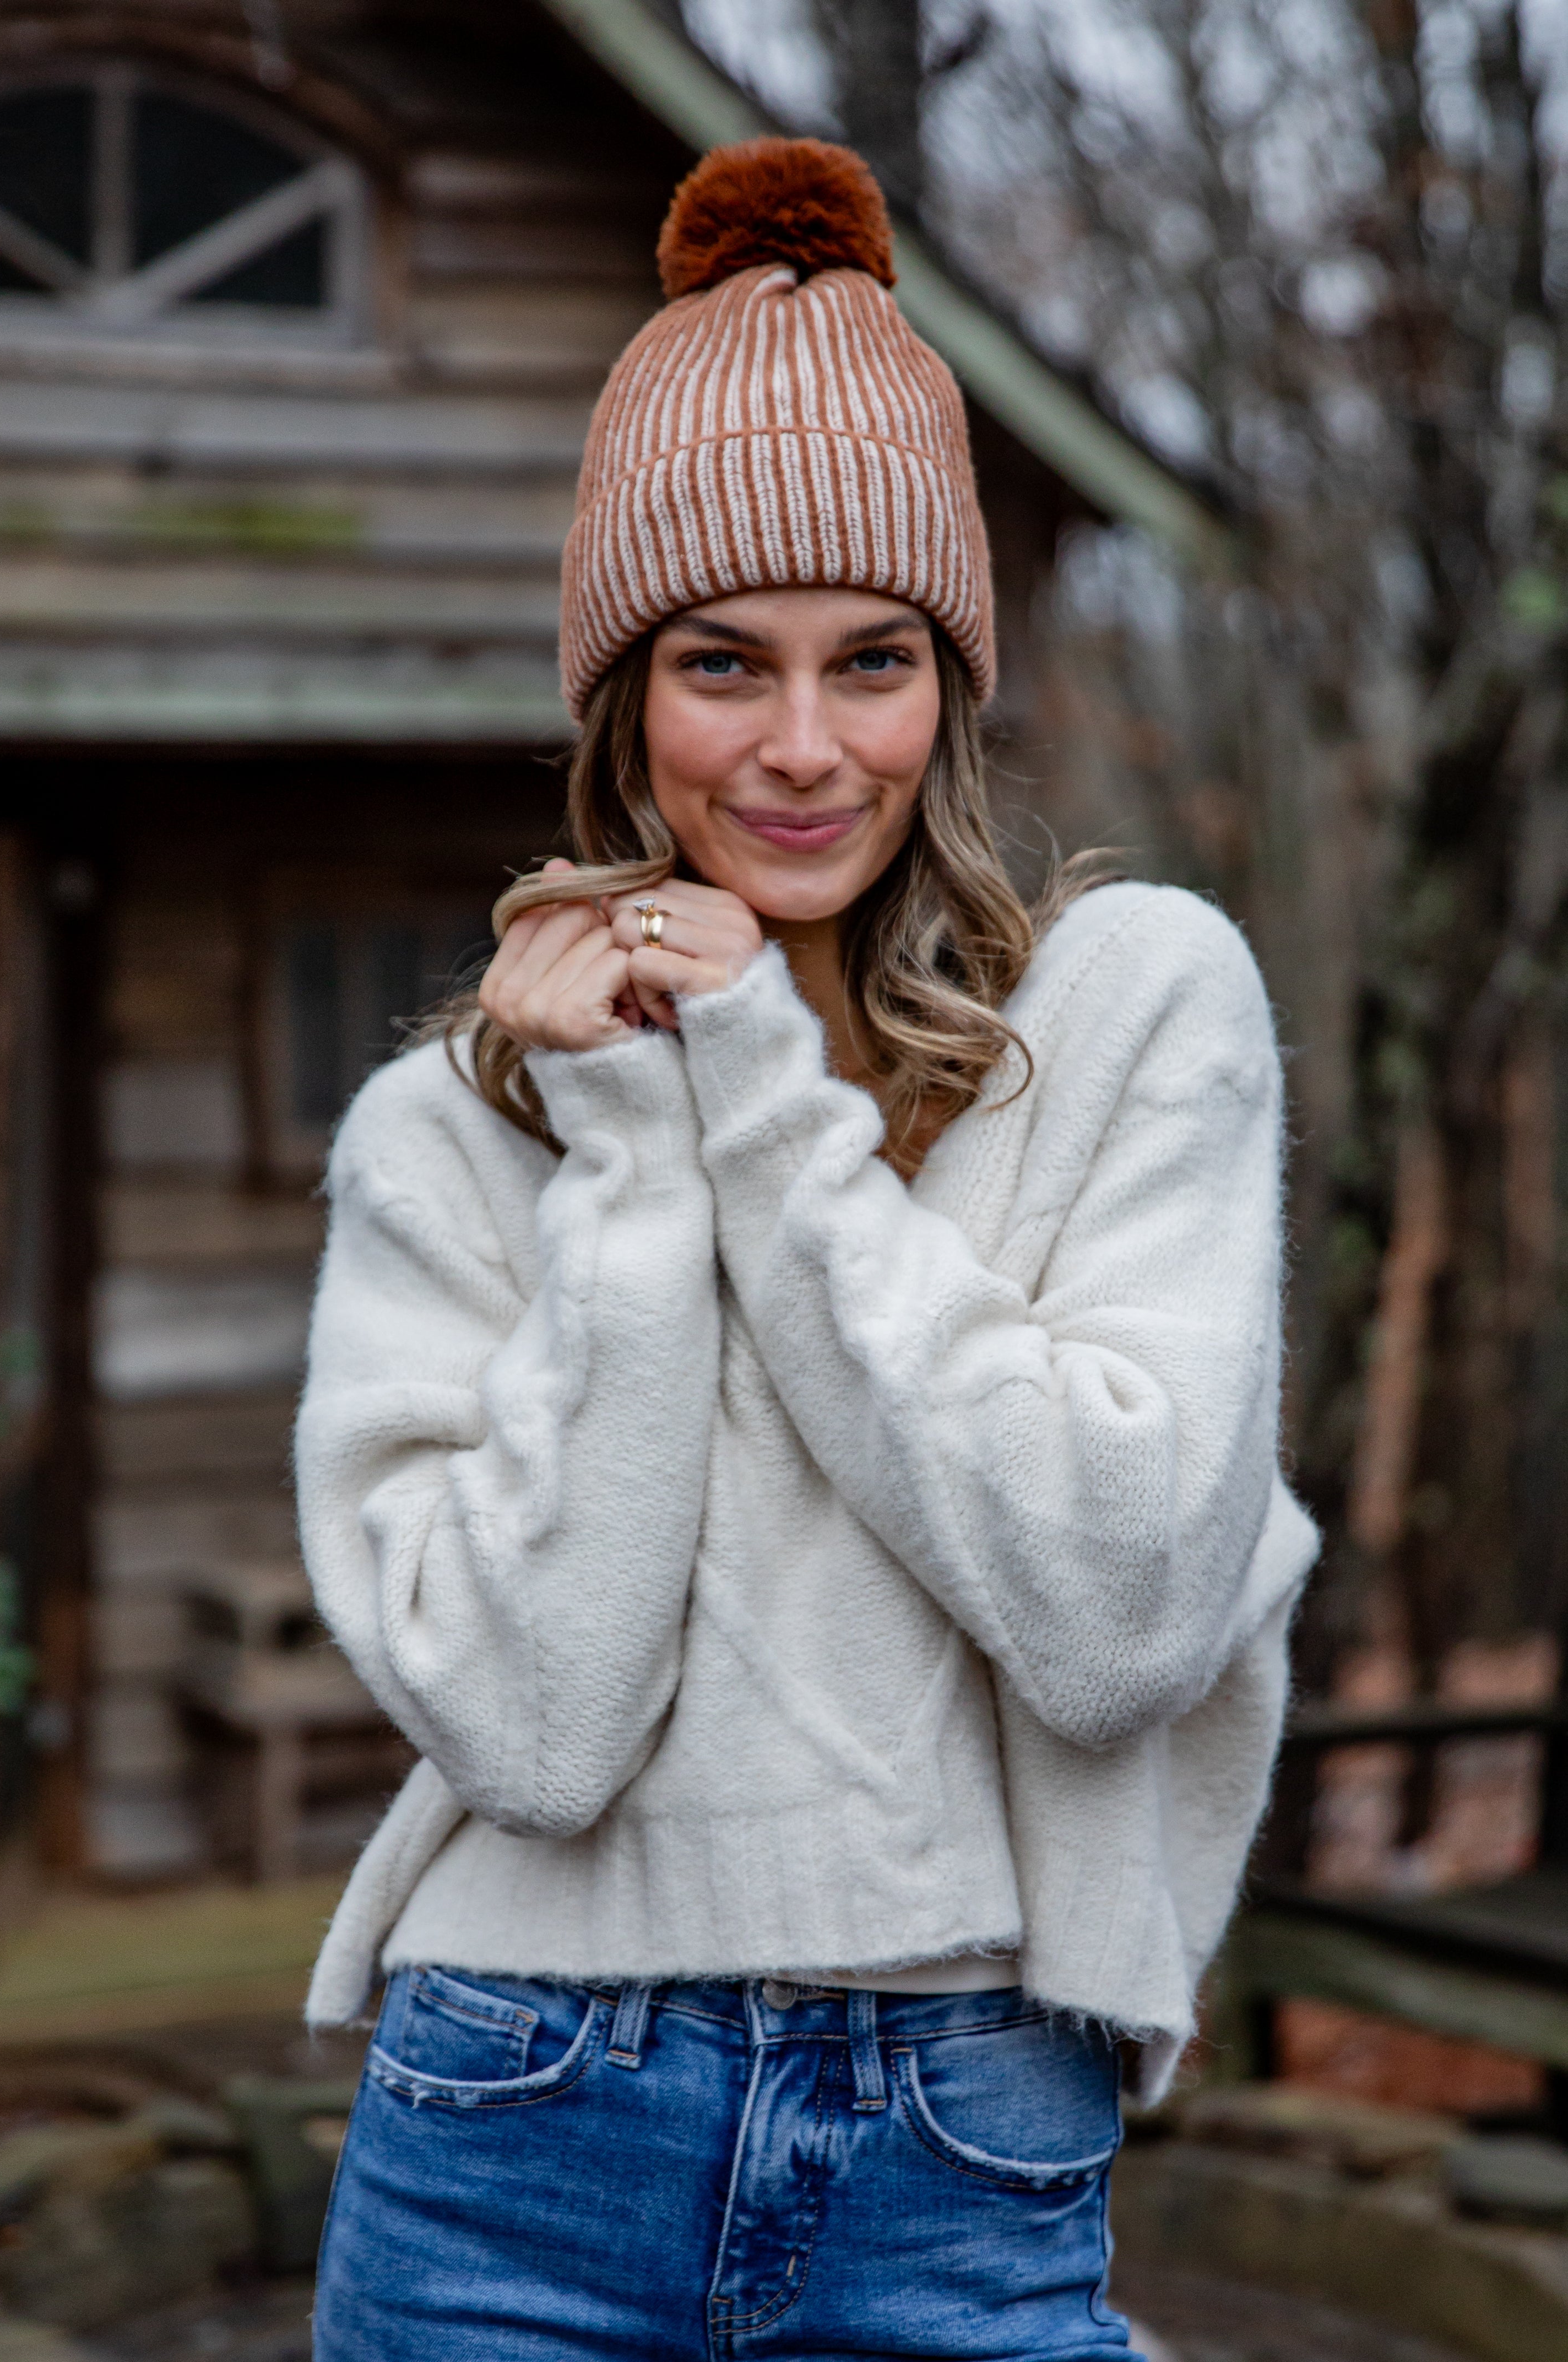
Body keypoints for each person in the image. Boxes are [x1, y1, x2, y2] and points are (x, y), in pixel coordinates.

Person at [299, 137, 1319, 2361]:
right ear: (620, 698)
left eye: (871, 660)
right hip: (510, 2122)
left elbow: (1119, 1612)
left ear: (950, 687)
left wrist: (757, 1099)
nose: (798, 748)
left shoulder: (1132, 1011)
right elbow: (534, 1729)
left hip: (964, 2126)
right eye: (718, 663)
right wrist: (629, 1155)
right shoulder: (444, 1137)